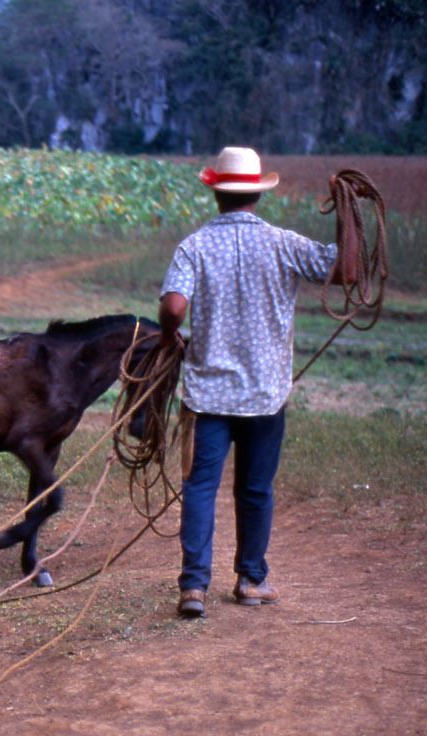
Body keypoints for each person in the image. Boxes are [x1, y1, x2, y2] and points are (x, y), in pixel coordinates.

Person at [159, 145, 356, 619]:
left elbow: (173, 308)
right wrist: (347, 211)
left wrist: (171, 334)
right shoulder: (284, 244)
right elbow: (347, 271)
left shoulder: (195, 246)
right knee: (255, 489)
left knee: (201, 487)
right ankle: (250, 579)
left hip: (208, 395)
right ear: (256, 195)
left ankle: (194, 588)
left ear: (215, 194)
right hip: (265, 397)